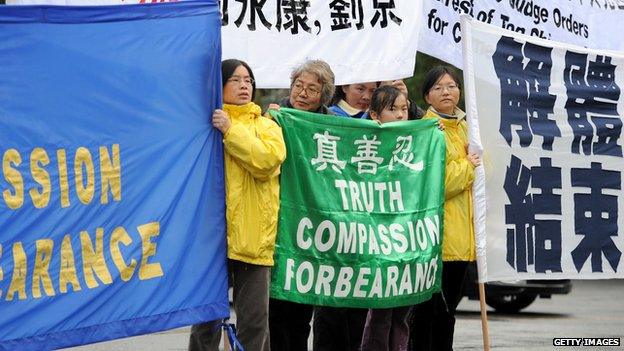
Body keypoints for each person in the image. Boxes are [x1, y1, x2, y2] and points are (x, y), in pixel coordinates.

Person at [189, 59, 286, 351]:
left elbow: (267, 161)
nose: (244, 86)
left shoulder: (267, 126)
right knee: (205, 321)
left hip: (253, 239)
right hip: (212, 239)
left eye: (248, 80)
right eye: (235, 80)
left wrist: (231, 130)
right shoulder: (202, 126)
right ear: (219, 85)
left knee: (255, 322)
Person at [409, 66, 481, 351]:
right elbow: (438, 182)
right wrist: (468, 166)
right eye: (438, 88)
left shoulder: (467, 127)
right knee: (427, 313)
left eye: (451, 86)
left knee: (448, 311)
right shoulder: (427, 130)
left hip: (463, 239)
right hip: (436, 238)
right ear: (427, 96)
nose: (446, 92)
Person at [267, 59, 336, 351]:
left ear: (324, 95)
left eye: (312, 89)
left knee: (301, 315)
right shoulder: (274, 118)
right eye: (298, 86)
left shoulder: (333, 125)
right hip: (277, 224)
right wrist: (268, 122)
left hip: (312, 230)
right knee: (275, 312)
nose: (303, 93)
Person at [360, 85, 412, 351]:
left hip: (408, 238)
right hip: (376, 240)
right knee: (380, 311)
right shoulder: (363, 144)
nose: (401, 115)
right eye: (392, 109)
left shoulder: (418, 142)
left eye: (404, 109)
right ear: (374, 115)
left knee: (402, 312)